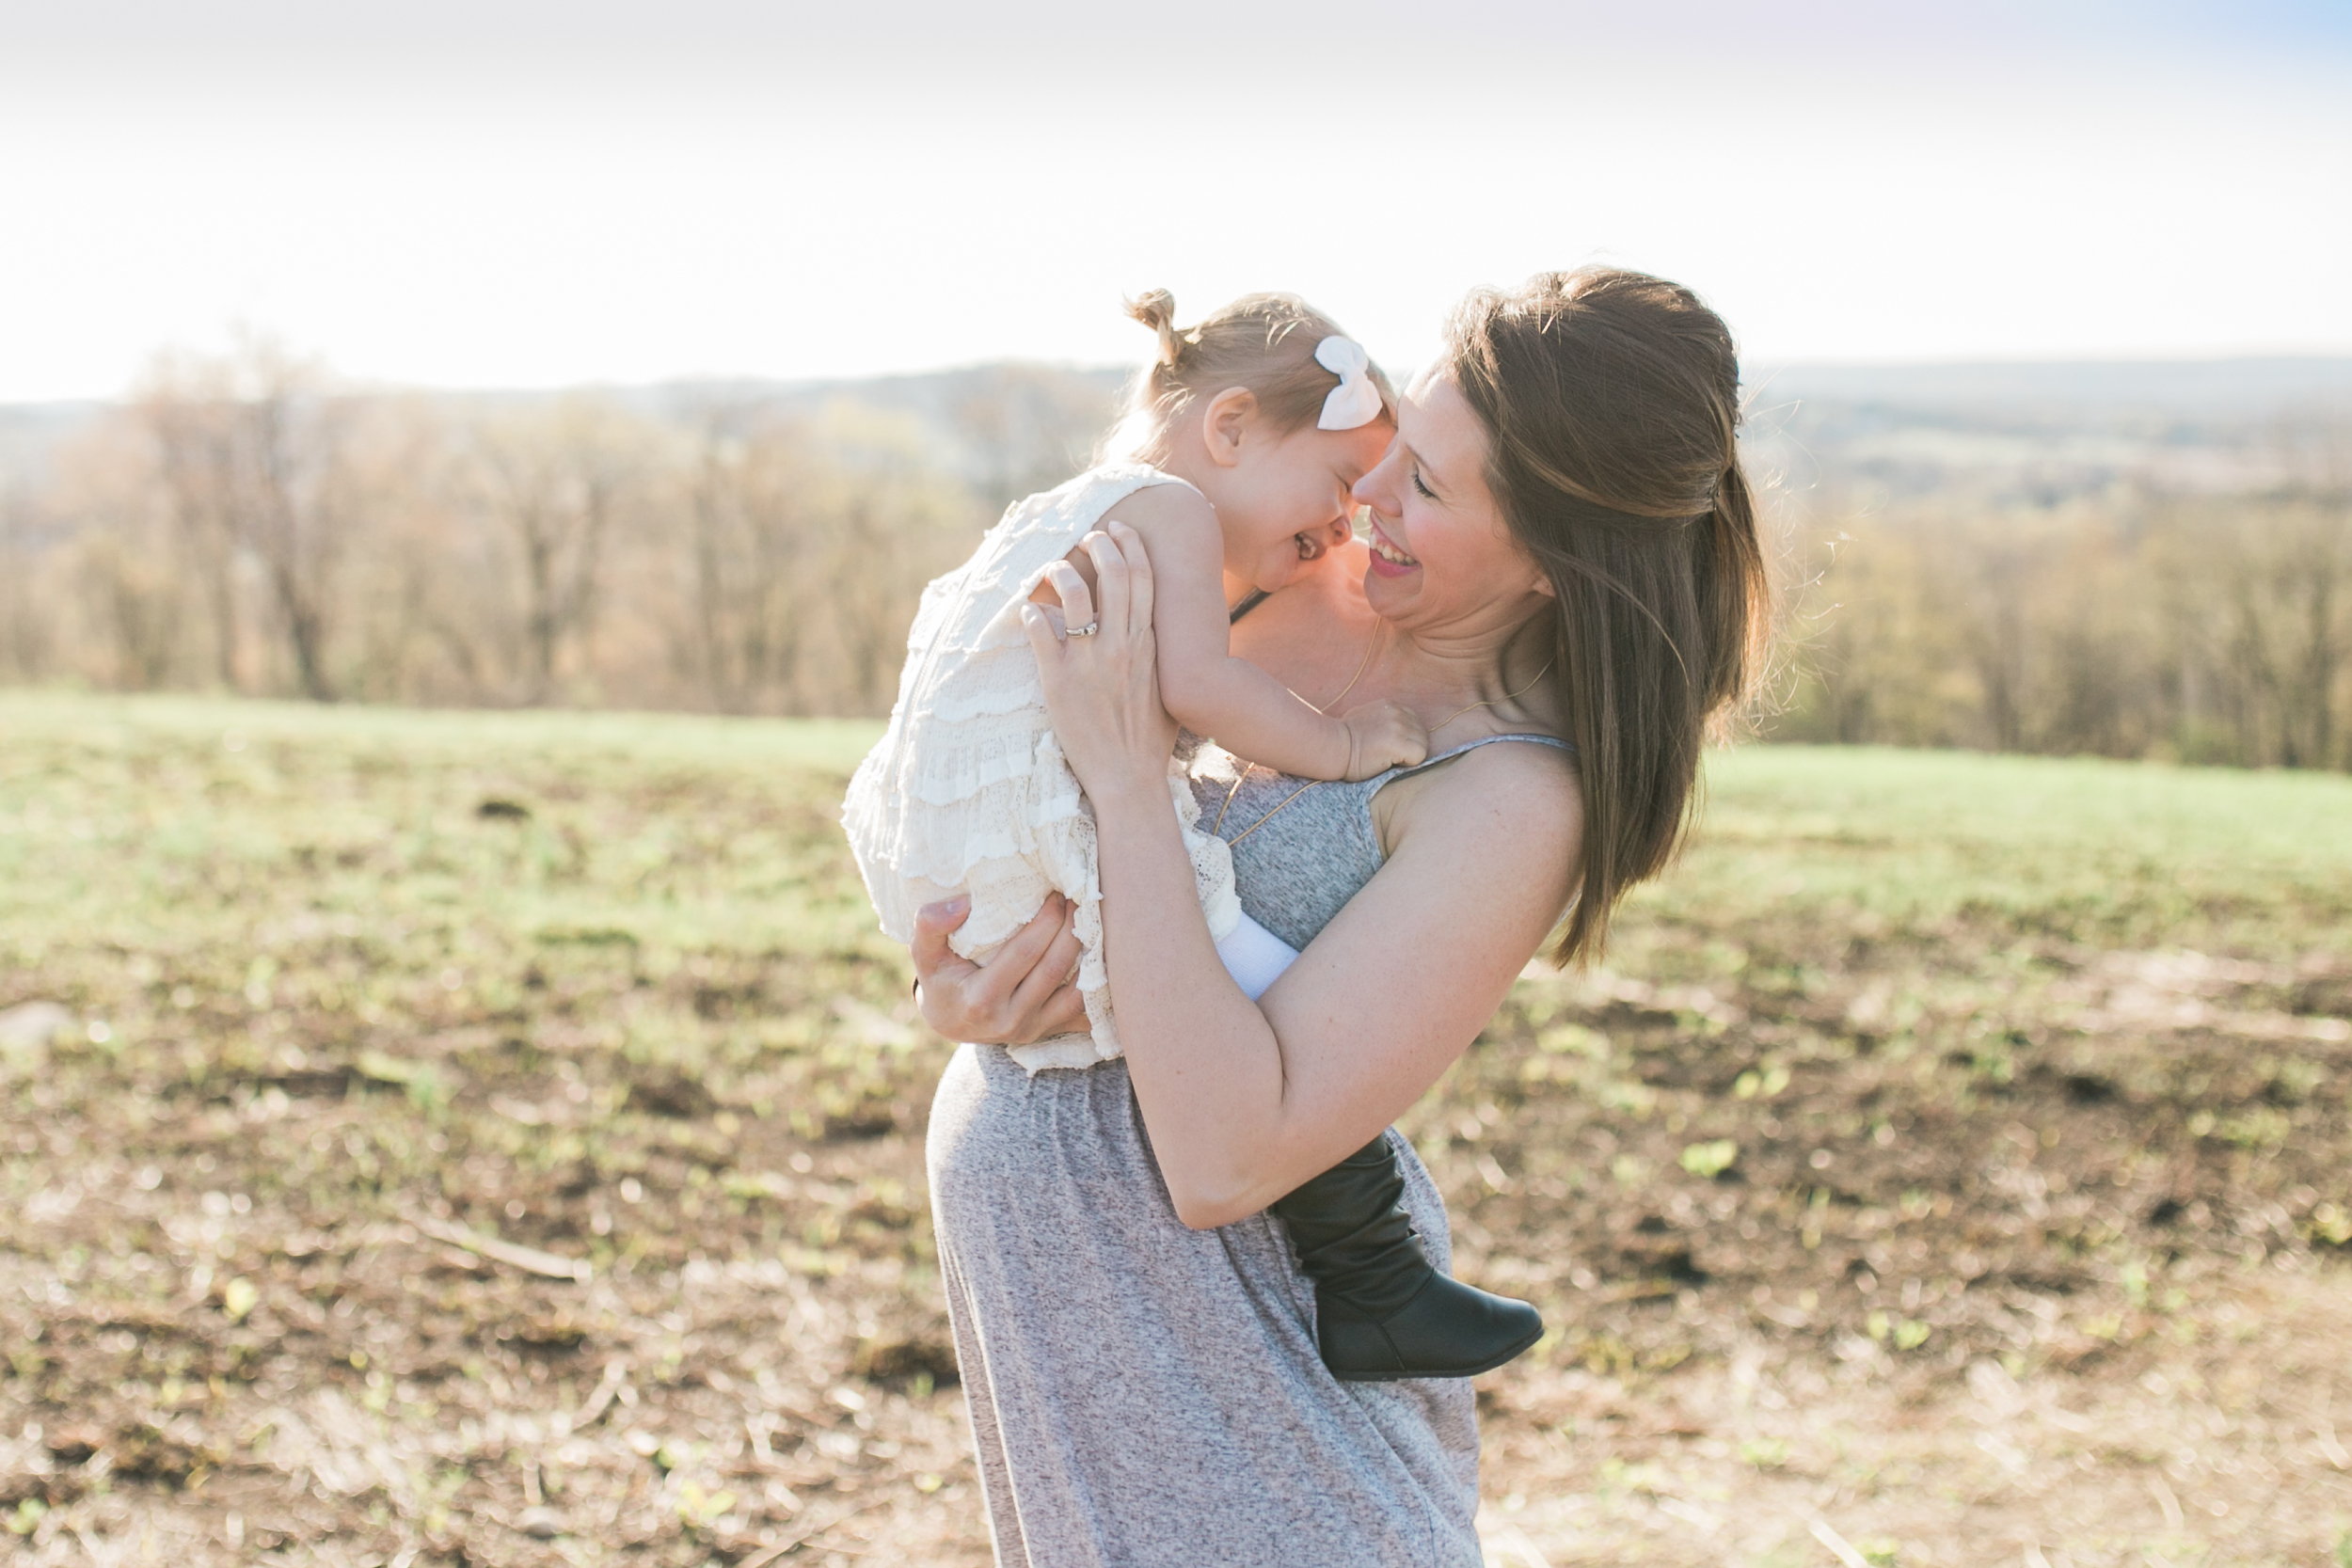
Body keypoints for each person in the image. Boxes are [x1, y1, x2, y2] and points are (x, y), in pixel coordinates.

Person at [912, 267, 1773, 1567]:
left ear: (1553, 557)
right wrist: (954, 989)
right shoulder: (1272, 585)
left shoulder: (1509, 796)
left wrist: (1130, 780)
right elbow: (1012, 782)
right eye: (1394, 450)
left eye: (1425, 482)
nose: (1365, 495)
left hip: (1248, 1393)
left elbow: (1221, 1157)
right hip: (1076, 1353)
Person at [843, 291, 1545, 1383]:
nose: (1355, 510)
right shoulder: (1167, 518)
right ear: (1225, 429)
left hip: (1167, 1322)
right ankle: (1375, 1276)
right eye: (1342, 479)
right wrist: (1345, 745)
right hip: (1085, 1300)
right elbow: (1196, 685)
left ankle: (1378, 1279)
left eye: (1413, 476)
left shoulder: (1088, 512)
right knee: (1246, 974)